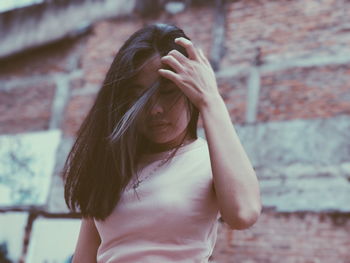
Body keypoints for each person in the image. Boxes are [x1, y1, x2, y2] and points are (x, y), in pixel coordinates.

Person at [63, 23, 262, 263]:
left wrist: (211, 99)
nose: (155, 109)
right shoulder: (112, 163)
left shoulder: (211, 160)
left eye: (168, 91)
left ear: (190, 89)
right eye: (138, 95)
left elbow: (244, 213)